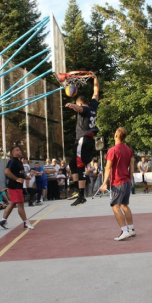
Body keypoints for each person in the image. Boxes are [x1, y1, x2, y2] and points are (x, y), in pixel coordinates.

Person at [66, 72, 100, 207]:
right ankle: (76, 190)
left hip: (83, 139)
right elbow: (96, 92)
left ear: (79, 102)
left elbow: (79, 109)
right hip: (86, 140)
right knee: (72, 164)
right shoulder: (93, 106)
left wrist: (72, 105)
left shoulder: (85, 109)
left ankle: (81, 195)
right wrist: (95, 79)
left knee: (79, 165)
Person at [99, 127, 136, 241]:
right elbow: (132, 166)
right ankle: (131, 229)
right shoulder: (129, 150)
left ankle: (124, 231)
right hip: (126, 181)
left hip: (117, 182)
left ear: (116, 136)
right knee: (124, 205)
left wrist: (104, 183)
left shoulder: (112, 150)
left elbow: (108, 168)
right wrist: (130, 180)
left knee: (115, 206)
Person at [0, 146, 34, 230]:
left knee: (12, 203)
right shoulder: (12, 161)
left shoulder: (19, 162)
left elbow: (21, 173)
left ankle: (3, 220)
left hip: (18, 187)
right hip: (15, 186)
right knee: (20, 204)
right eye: (17, 150)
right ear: (13, 153)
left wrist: (26, 177)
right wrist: (16, 179)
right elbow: (7, 171)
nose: (19, 151)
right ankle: (26, 223)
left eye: (19, 149)